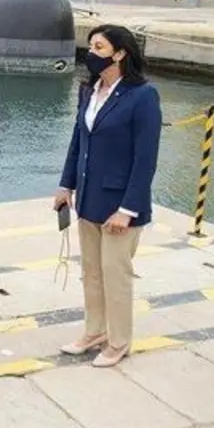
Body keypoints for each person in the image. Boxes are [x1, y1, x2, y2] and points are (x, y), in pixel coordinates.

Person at [52, 25, 162, 368]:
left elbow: (145, 159)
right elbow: (78, 140)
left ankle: (119, 341)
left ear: (120, 53)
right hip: (89, 200)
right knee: (92, 273)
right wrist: (66, 185)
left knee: (116, 276)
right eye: (90, 47)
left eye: (99, 47)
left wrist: (127, 209)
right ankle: (95, 331)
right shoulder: (89, 90)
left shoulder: (142, 96)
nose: (91, 53)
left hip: (120, 206)